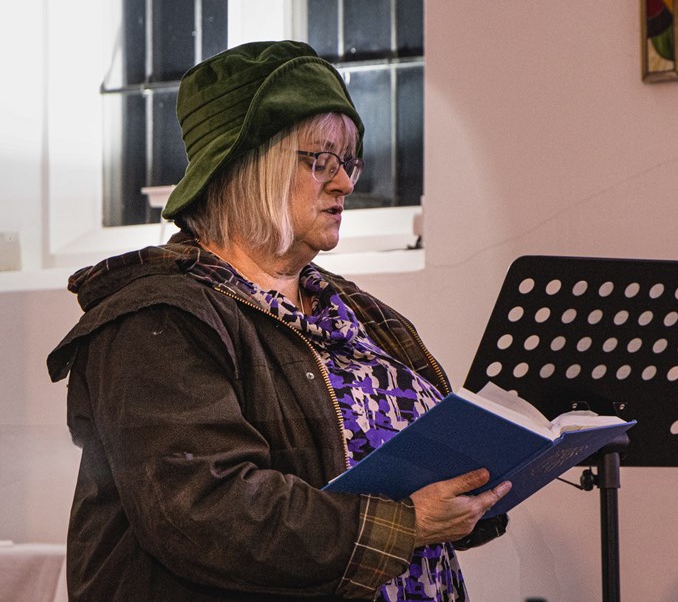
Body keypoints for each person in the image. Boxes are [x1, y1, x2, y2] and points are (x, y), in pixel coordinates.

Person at [47, 40, 510, 602]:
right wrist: (406, 524)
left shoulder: (358, 312)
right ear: (247, 166)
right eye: (320, 160)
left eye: (348, 161)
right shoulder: (159, 319)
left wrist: (477, 491)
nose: (344, 183)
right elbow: (206, 512)